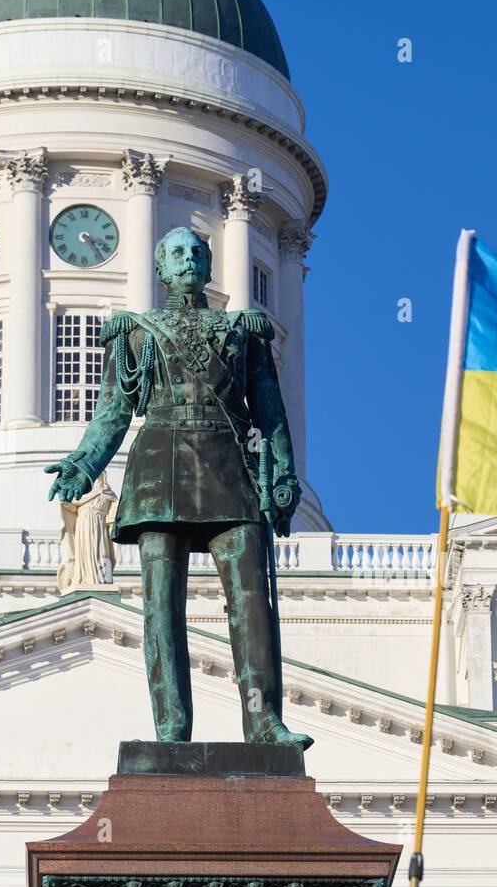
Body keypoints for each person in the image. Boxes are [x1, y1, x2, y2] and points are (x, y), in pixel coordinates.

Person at [45, 226, 308, 747]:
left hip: (231, 468)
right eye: (176, 254)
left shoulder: (242, 331)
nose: (188, 261)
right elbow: (114, 412)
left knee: (252, 601)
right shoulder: (136, 332)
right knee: (161, 607)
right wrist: (83, 462)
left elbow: (272, 414)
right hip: (157, 470)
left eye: (196, 253)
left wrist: (280, 475)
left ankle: (263, 722)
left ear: (209, 266)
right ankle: (171, 729)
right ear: (161, 269)